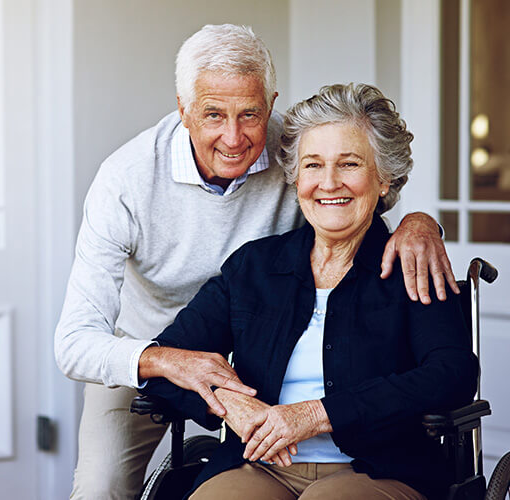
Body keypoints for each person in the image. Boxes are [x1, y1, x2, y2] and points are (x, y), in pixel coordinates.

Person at [55, 25, 458, 500]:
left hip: (274, 366)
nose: (234, 135)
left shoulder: (301, 144)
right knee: (101, 489)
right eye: (212, 114)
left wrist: (422, 222)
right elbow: (75, 343)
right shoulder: (126, 181)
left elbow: (356, 183)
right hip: (149, 349)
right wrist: (170, 363)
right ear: (182, 110)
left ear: (270, 105)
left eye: (250, 113)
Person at [140, 83, 478, 500]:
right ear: (296, 177)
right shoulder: (254, 268)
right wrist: (229, 403)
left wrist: (317, 415)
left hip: (378, 470)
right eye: (313, 165)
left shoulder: (411, 264)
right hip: (258, 466)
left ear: (384, 178)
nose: (329, 183)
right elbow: (168, 358)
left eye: (350, 164)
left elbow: (452, 374)